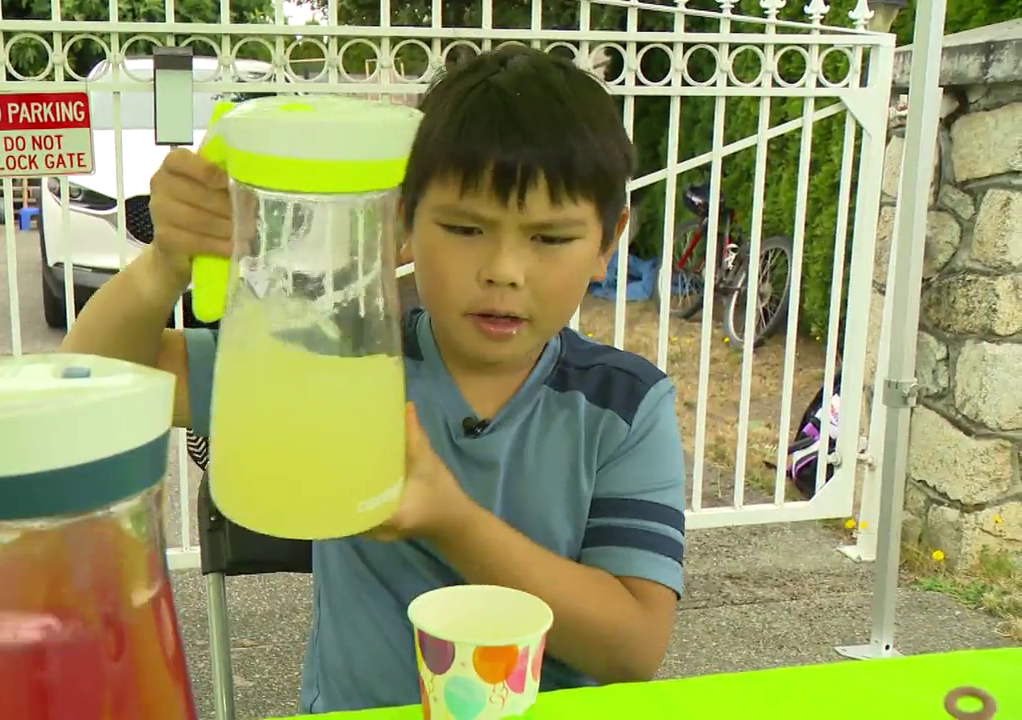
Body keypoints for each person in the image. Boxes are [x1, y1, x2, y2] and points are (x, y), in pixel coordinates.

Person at [60, 44, 687, 714]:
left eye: (550, 238)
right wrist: (165, 265)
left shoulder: (626, 406)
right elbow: (91, 383)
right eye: (466, 227)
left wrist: (454, 523)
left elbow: (634, 646)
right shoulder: (335, 360)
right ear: (405, 220)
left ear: (607, 241)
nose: (504, 269)